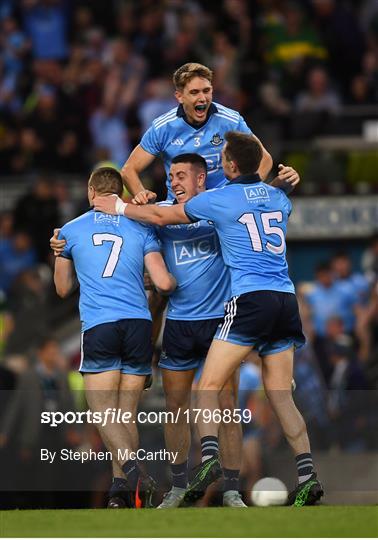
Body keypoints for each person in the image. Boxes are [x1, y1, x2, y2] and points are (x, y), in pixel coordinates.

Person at [92, 133, 323, 507]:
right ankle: (308, 476)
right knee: (282, 395)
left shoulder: (218, 200)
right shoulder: (278, 199)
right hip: (286, 298)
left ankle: (210, 461)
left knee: (207, 388)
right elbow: (263, 198)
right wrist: (280, 181)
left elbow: (161, 215)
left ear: (228, 166)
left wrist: (117, 206)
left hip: (248, 300)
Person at [53, 166, 176, 508]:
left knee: (102, 412)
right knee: (125, 415)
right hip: (138, 324)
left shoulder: (70, 230)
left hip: (100, 324)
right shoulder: (140, 225)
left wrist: (61, 255)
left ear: (91, 192)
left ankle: (135, 474)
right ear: (120, 195)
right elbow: (162, 282)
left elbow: (62, 288)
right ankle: (121, 493)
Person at [120, 62, 273, 203]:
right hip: (181, 210)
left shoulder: (231, 121)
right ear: (179, 96)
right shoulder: (163, 127)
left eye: (206, 91)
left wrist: (246, 193)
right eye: (194, 92)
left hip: (222, 207)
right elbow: (129, 170)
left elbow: (264, 159)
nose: (202, 98)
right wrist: (141, 195)